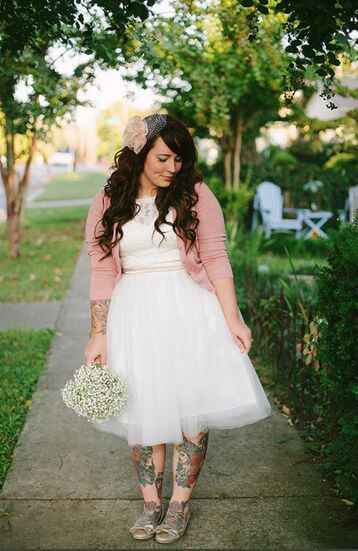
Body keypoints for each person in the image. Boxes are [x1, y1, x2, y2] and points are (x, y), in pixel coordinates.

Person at [84, 113, 273, 544]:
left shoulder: (196, 195)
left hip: (190, 309)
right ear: (139, 154)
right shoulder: (109, 199)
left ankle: (179, 505)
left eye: (179, 159)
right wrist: (98, 333)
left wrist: (233, 318)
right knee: (142, 409)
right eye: (163, 158)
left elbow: (216, 259)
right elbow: (101, 271)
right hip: (133, 313)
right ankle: (150, 504)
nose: (172, 168)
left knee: (191, 411)